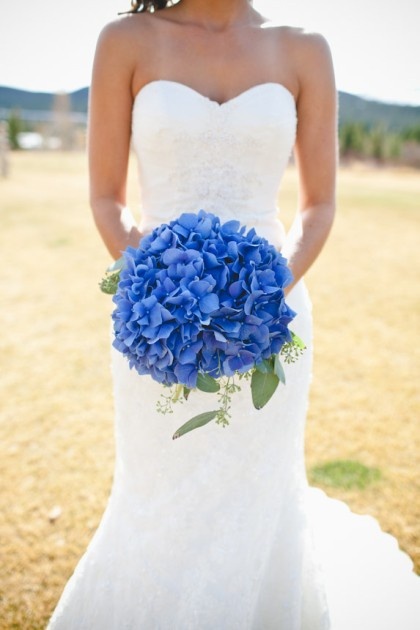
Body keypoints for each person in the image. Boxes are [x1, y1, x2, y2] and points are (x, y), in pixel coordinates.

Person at [48, 1, 420, 628]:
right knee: (160, 493)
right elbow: (106, 197)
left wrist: (265, 292)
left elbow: (319, 204)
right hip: (161, 324)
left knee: (260, 495)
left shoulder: (305, 48)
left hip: (270, 319)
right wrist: (159, 286)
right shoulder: (126, 39)